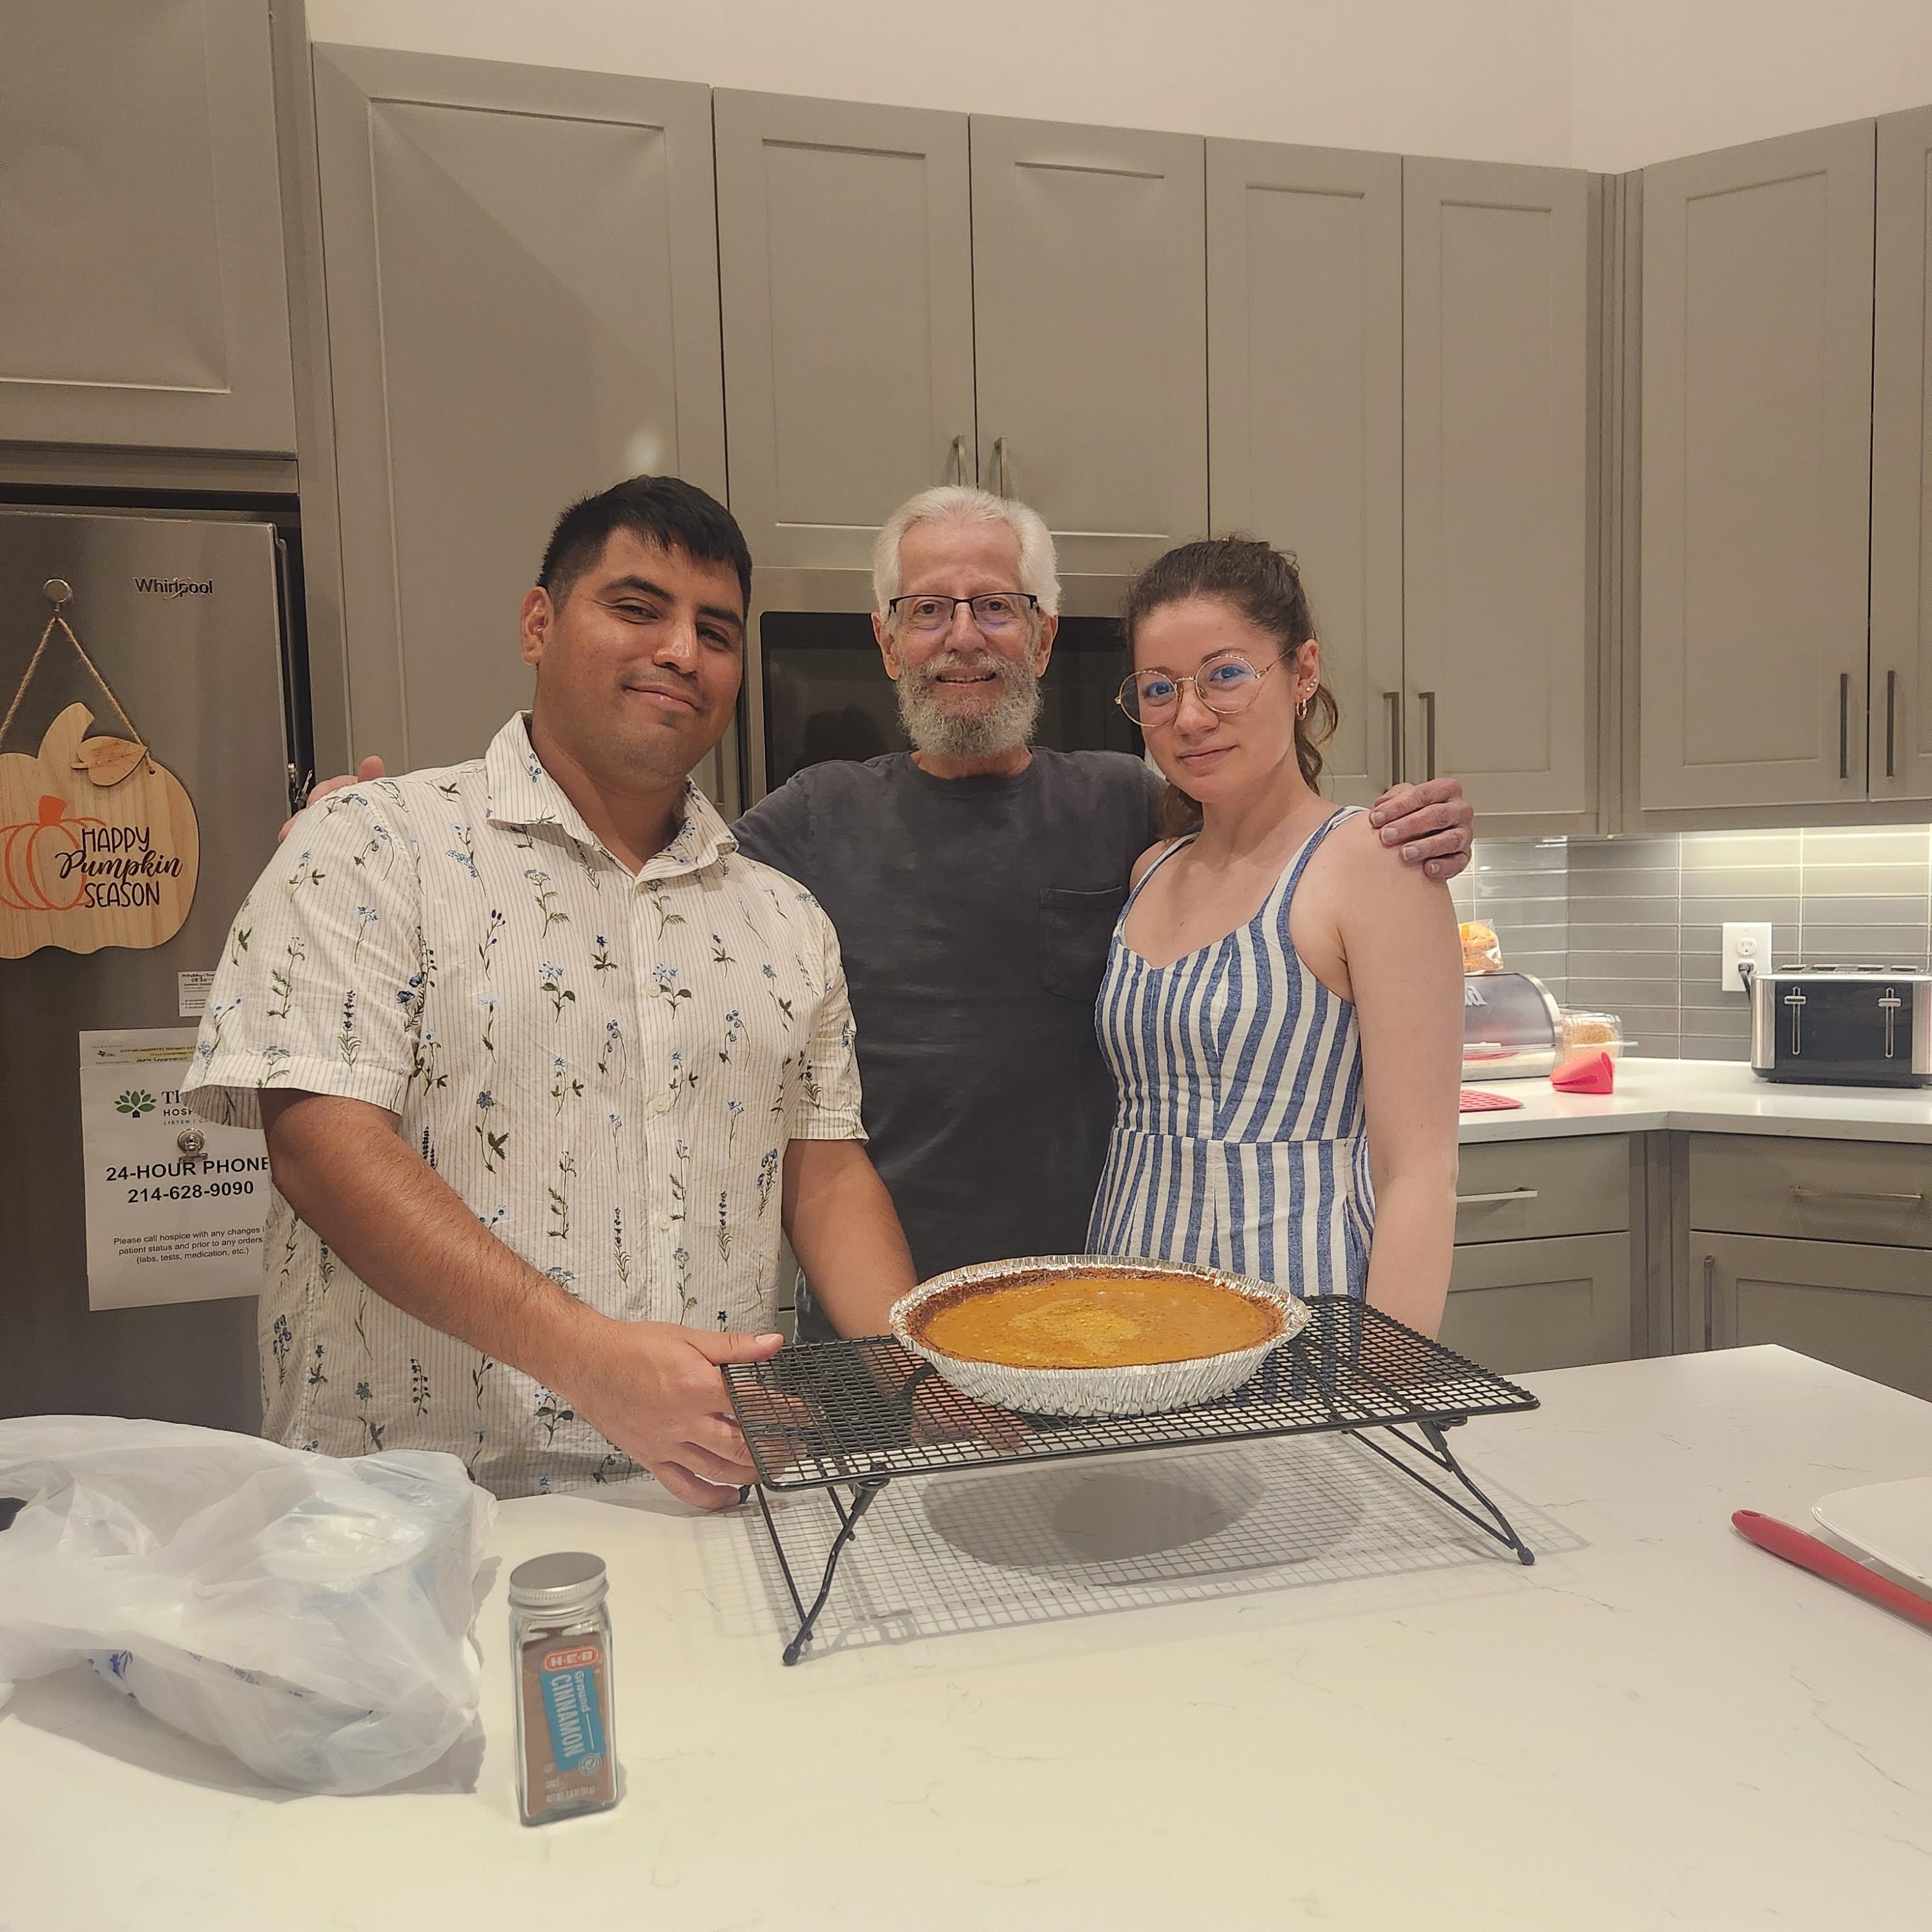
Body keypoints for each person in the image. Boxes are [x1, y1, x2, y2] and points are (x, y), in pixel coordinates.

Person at [294, 484, 1474, 1339]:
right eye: (927, 609)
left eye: (995, 606)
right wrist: (411, 837)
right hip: (876, 1313)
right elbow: (634, 883)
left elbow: (1267, 823)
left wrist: (1409, 832)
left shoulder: (1128, 808)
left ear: (1043, 635)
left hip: (1098, 1300)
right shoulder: (810, 821)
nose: (962, 637)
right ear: (886, 640)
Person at [189, 477, 916, 1504]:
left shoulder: (785, 919)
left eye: (715, 631)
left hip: (704, 1494)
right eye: (637, 607)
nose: (681, 650)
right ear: (540, 624)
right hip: (414, 1509)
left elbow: (825, 1176)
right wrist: (589, 1361)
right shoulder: (371, 846)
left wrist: (923, 1380)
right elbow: (322, 1148)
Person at [1088, 537, 1461, 1335]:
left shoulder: (1374, 864)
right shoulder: (1152, 869)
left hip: (1299, 1330)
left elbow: (1419, 1174)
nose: (1190, 718)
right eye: (1159, 689)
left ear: (1302, 673)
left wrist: (1386, 1385)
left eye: (1225, 675)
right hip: (1127, 1321)